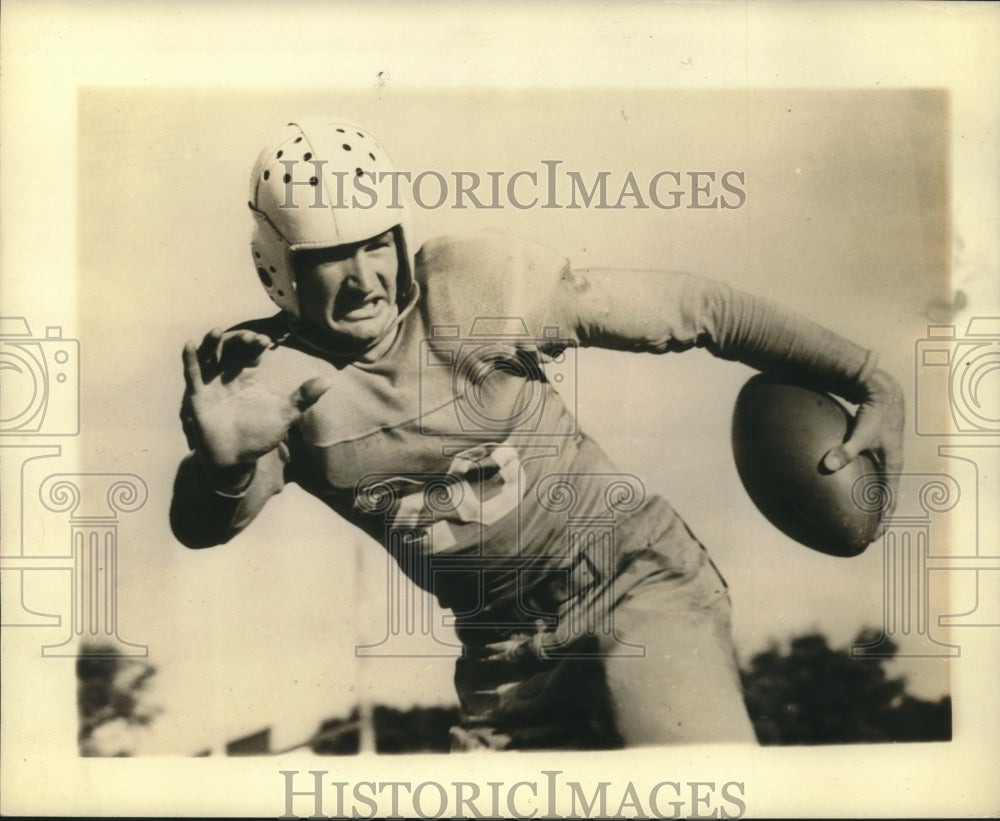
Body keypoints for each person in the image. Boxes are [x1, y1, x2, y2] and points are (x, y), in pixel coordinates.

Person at [170, 118, 904, 750]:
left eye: (374, 244)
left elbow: (694, 307)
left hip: (628, 576)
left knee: (690, 784)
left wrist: (868, 374)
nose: (364, 278)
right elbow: (203, 525)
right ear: (281, 267)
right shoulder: (263, 379)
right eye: (331, 256)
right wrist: (222, 466)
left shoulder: (472, 286)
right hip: (502, 656)